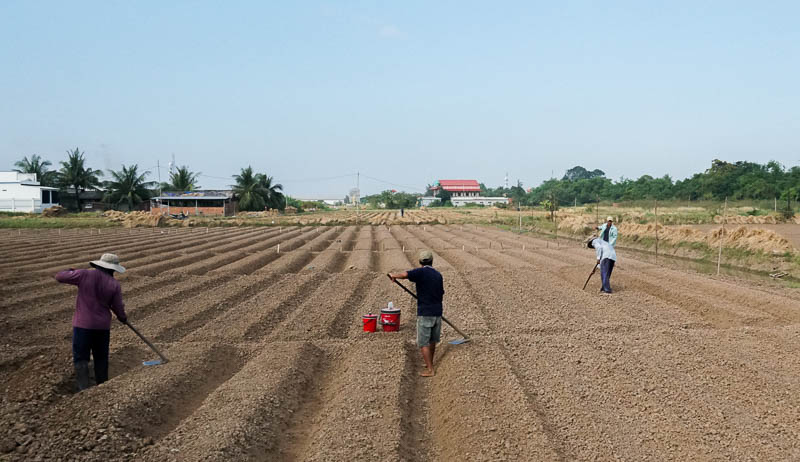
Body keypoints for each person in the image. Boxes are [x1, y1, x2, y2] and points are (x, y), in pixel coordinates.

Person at [55, 253, 128, 391]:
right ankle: (102, 386)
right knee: (101, 357)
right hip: (102, 327)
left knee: (81, 357)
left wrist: (70, 271)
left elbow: (59, 276)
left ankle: (84, 388)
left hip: (83, 325)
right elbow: (118, 307)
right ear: (113, 269)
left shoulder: (84, 275)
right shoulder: (114, 284)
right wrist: (123, 318)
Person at [388, 250, 444, 377]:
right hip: (437, 312)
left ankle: (430, 369)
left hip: (425, 312)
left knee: (423, 342)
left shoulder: (420, 272)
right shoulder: (438, 275)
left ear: (420, 262)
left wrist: (393, 275)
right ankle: (430, 362)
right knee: (432, 340)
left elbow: (404, 274)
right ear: (432, 261)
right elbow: (441, 293)